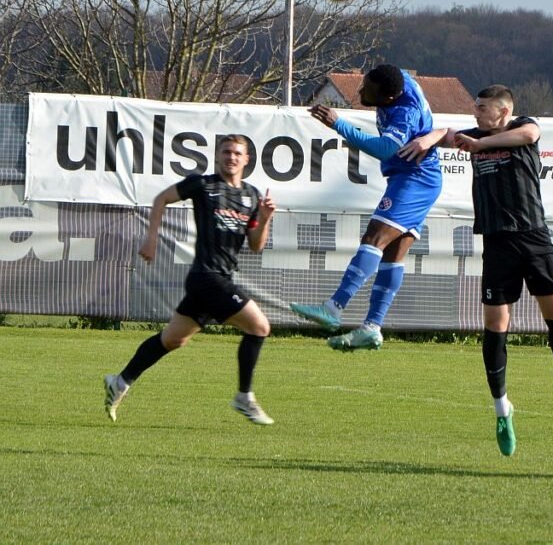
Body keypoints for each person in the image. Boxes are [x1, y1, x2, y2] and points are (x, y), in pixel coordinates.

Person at [398, 84, 553, 457]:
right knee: (496, 327)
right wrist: (432, 138)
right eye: (475, 107)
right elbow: (446, 133)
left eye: (482, 107)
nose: (476, 112)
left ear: (503, 111)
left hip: (533, 237)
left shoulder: (522, 127)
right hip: (497, 243)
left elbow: (529, 134)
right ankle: (502, 410)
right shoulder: (471, 135)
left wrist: (480, 145)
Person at [103, 134, 277, 425]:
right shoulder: (202, 185)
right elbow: (162, 199)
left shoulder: (251, 195)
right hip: (207, 277)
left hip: (217, 278)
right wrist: (151, 238)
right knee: (259, 327)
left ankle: (120, 382)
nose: (231, 157)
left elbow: (256, 245)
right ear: (217, 155)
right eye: (226, 151)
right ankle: (244, 397)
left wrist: (266, 216)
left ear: (247, 159)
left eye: (237, 153)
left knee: (173, 339)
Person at [290, 64, 442, 351]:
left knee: (374, 238)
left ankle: (333, 307)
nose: (360, 91)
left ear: (388, 98)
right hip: (413, 177)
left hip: (415, 178)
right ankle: (372, 327)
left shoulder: (405, 113)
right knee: (393, 254)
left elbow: (383, 149)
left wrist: (339, 124)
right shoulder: (398, 80)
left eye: (368, 90)